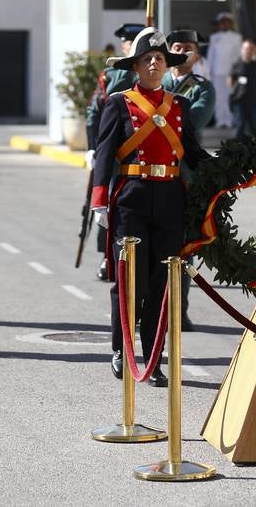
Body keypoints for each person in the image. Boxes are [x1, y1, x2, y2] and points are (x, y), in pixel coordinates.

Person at [91, 28, 210, 386]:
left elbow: (192, 153)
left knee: (162, 283)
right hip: (132, 198)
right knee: (131, 281)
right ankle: (121, 349)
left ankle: (153, 358)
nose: (155, 63)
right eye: (148, 58)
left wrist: (230, 166)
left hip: (171, 198)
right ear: (137, 66)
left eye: (159, 58)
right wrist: (99, 200)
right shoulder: (119, 102)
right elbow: (104, 153)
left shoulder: (180, 106)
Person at [163, 28, 217, 332]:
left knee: (182, 247)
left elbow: (191, 123)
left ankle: (178, 309)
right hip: (149, 171)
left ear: (196, 55)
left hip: (183, 174)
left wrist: (156, 107)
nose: (183, 50)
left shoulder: (202, 89)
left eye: (189, 47)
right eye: (177, 46)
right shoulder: (148, 84)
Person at [86, 23, 144, 281]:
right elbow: (93, 112)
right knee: (107, 203)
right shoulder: (110, 75)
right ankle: (107, 257)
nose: (125, 46)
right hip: (111, 150)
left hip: (139, 152)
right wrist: (91, 147)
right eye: (125, 43)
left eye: (129, 42)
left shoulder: (150, 74)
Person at [207, 12, 242, 127]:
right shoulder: (214, 37)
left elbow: (238, 55)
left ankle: (229, 120)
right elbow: (211, 56)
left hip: (230, 72)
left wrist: (237, 71)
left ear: (231, 23)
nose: (224, 24)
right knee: (218, 97)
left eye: (227, 22)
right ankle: (220, 120)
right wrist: (209, 72)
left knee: (229, 96)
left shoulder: (237, 38)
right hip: (217, 72)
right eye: (222, 22)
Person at [228, 38, 256, 137]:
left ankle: (255, 150)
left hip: (253, 100)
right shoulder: (236, 65)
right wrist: (240, 88)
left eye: (251, 48)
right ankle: (236, 149)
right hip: (239, 101)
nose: (248, 50)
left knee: (255, 127)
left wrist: (253, 86)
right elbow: (230, 81)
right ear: (242, 49)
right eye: (246, 48)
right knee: (239, 127)